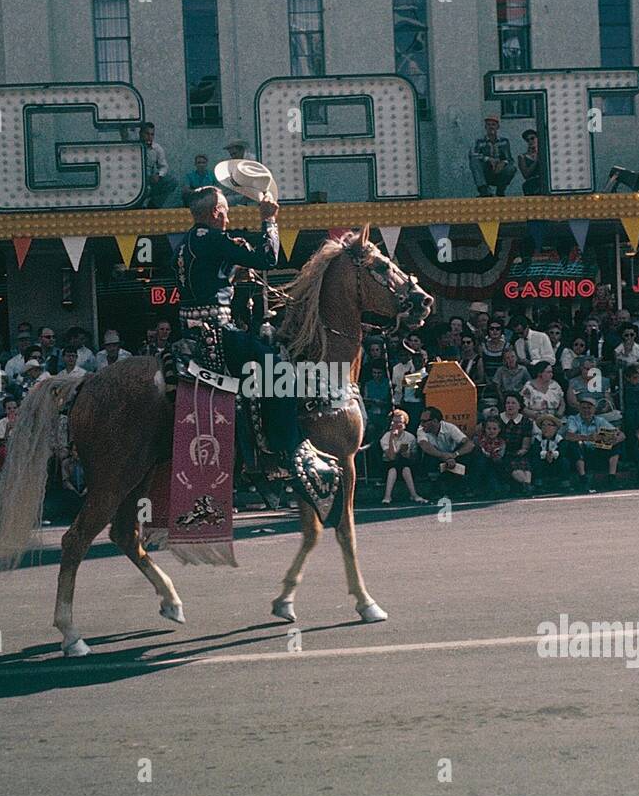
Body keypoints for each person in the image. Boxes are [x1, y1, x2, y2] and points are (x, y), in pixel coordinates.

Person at [175, 182, 342, 522]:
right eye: (226, 210)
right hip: (217, 331)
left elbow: (206, 279)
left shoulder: (186, 243)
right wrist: (269, 220)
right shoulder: (215, 239)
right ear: (215, 213)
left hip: (189, 329)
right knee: (277, 367)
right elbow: (268, 256)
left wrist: (230, 268)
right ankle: (286, 450)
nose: (228, 215)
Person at [416, 406, 479, 497]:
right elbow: (424, 445)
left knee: (475, 452)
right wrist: (443, 456)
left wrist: (455, 455)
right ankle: (436, 488)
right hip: (437, 458)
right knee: (427, 456)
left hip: (454, 457)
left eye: (424, 421)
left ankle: (472, 486)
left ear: (435, 421)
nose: (421, 424)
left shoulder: (449, 427)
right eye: (421, 421)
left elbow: (469, 444)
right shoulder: (421, 430)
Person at [564, 396, 623, 491]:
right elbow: (568, 436)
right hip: (581, 455)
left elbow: (621, 435)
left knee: (615, 445)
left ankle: (612, 477)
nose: (586, 411)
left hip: (597, 453)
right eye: (584, 408)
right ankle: (583, 479)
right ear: (579, 408)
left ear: (594, 409)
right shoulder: (573, 419)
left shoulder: (599, 420)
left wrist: (614, 439)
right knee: (573, 445)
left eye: (589, 408)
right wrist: (588, 438)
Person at [379, 409, 427, 505]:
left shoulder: (410, 437)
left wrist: (408, 455)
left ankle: (414, 495)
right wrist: (392, 438)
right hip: (389, 465)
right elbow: (391, 457)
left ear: (404, 424)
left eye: (399, 422)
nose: (396, 424)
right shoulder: (386, 437)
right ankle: (387, 496)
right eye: (394, 422)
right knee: (393, 469)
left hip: (406, 465)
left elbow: (415, 457)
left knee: (406, 468)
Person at [469, 115, 514, 196]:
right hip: (486, 171)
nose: (491, 127)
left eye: (493, 124)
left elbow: (509, 158)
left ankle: (500, 190)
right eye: (488, 124)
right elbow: (473, 155)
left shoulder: (504, 141)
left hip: (499, 170)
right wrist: (488, 159)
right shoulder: (480, 141)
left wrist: (503, 162)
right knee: (474, 161)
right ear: (485, 127)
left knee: (511, 168)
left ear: (498, 127)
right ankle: (484, 190)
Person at [137, 121, 177, 209]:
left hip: (150, 180)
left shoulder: (157, 148)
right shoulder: (133, 146)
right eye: (147, 134)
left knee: (172, 181)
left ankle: (153, 205)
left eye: (152, 134)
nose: (149, 137)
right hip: (135, 181)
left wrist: (158, 175)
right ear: (140, 133)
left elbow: (164, 166)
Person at [517, 129, 545, 195]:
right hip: (531, 184)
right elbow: (526, 174)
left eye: (532, 138)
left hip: (544, 182)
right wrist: (536, 160)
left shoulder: (545, 153)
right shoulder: (522, 157)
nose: (530, 141)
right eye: (527, 140)